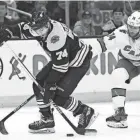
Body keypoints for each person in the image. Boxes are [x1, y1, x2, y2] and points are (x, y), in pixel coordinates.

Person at [0, 11, 98, 133]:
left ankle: (84, 110)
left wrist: (50, 85)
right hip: (61, 60)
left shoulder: (56, 37)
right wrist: (6, 32)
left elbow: (61, 67)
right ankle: (47, 119)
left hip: (78, 62)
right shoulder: (35, 28)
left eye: (42, 28)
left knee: (56, 96)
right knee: (38, 83)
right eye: (36, 29)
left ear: (47, 23)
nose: (39, 31)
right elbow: (19, 28)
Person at [97, 11, 140, 128]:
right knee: (117, 75)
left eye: (135, 28)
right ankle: (120, 115)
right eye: (130, 26)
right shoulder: (121, 32)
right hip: (127, 61)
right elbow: (103, 43)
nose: (131, 30)